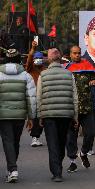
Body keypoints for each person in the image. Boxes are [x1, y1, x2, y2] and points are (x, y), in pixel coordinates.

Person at [37, 48, 78, 182]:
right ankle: (58, 167)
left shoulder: (43, 75)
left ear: (49, 59)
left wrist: (39, 115)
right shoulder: (69, 74)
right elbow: (75, 97)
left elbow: (39, 98)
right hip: (66, 115)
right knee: (61, 142)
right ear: (60, 59)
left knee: (52, 143)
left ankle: (57, 172)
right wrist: (75, 116)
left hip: (49, 115)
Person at [0, 49, 36, 183]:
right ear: (18, 59)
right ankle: (12, 168)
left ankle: (12, 169)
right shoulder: (26, 75)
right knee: (15, 141)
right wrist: (31, 117)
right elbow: (31, 98)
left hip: (3, 115)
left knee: (8, 141)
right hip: (20, 115)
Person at [65, 46, 95, 172]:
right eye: (75, 53)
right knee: (71, 137)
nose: (77, 55)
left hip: (87, 108)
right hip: (72, 109)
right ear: (70, 54)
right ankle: (72, 161)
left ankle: (83, 153)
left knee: (91, 133)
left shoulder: (88, 67)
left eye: (79, 53)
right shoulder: (66, 69)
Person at [25, 41, 47, 147]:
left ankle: (38, 136)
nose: (37, 60)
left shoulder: (45, 70)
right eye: (35, 58)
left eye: (39, 58)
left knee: (42, 117)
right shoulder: (30, 68)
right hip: (33, 96)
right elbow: (29, 60)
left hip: (43, 96)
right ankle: (34, 137)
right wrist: (33, 49)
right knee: (34, 117)